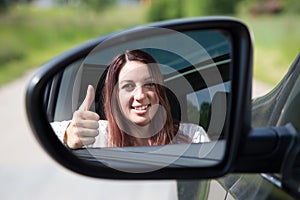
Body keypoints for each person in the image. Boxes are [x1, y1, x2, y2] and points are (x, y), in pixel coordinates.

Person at [51, 49, 209, 149]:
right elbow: (44, 134)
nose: (140, 95)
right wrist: (69, 134)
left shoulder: (192, 136)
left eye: (149, 84)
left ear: (159, 92)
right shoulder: (95, 133)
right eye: (128, 86)